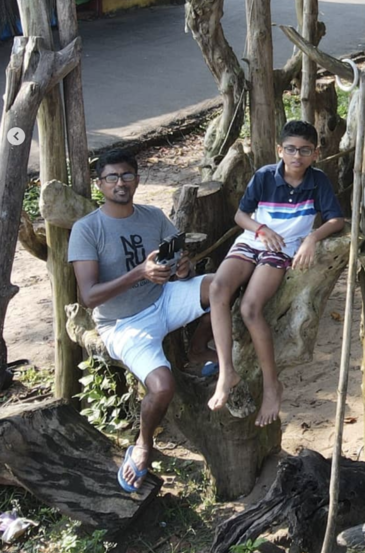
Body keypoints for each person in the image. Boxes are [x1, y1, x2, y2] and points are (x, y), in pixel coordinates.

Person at [68, 149, 213, 493]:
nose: (121, 183)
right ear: (99, 184)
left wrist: (183, 268)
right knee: (162, 387)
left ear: (137, 178)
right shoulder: (87, 229)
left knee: (221, 283)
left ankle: (198, 350)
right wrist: (138, 273)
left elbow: (181, 264)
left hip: (163, 300)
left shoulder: (153, 216)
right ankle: (144, 443)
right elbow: (88, 297)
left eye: (127, 175)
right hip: (123, 323)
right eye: (112, 177)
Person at [207, 120, 344, 426]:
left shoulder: (318, 182)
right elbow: (241, 215)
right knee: (218, 289)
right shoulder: (264, 176)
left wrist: (311, 237)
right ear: (280, 150)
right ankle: (226, 370)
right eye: (291, 149)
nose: (297, 156)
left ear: (316, 153)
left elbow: (337, 220)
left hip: (283, 248)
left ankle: (272, 385)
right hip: (254, 239)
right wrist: (260, 227)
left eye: (305, 150)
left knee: (250, 308)